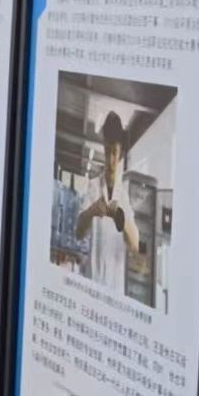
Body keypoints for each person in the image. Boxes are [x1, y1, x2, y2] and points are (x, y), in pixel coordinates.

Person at [76, 112, 142, 292]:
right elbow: (79, 232)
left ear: (121, 156)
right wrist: (91, 211)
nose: (110, 160)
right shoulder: (93, 187)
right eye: (107, 152)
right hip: (91, 282)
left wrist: (119, 216)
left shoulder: (125, 195)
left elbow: (135, 245)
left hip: (114, 289)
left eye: (114, 153)